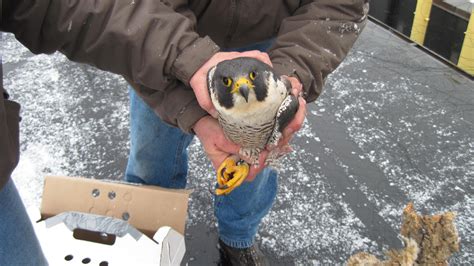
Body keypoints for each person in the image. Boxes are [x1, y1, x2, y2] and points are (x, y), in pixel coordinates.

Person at [1, 0, 368, 265]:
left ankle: (237, 240)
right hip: (157, 37)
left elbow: (342, 4)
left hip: (271, 48)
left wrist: (286, 78)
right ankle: (150, 239)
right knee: (152, 156)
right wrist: (185, 66)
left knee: (254, 159)